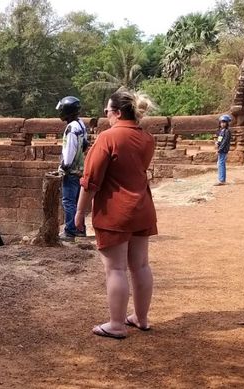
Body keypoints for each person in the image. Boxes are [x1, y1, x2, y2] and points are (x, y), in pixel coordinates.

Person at [75, 90, 158, 339]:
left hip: (115, 211)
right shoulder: (147, 139)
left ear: (118, 112)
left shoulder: (108, 138)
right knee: (141, 265)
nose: (106, 116)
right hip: (142, 207)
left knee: (116, 270)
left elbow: (90, 181)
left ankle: (117, 324)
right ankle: (140, 318)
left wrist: (80, 212)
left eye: (108, 111)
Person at [55, 96, 89, 242]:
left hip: (72, 170)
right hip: (80, 169)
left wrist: (63, 167)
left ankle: (70, 231)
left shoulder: (71, 128)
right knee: (77, 202)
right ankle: (80, 229)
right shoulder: (81, 124)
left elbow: (69, 151)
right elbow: (85, 145)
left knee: (68, 201)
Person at [215, 114, 232, 186]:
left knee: (221, 163)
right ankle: (222, 179)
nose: (222, 124)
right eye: (221, 122)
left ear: (227, 123)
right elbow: (220, 140)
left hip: (223, 150)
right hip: (221, 149)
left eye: (224, 122)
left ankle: (221, 180)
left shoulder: (227, 131)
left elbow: (224, 142)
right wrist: (217, 143)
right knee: (220, 163)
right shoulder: (222, 131)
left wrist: (219, 150)